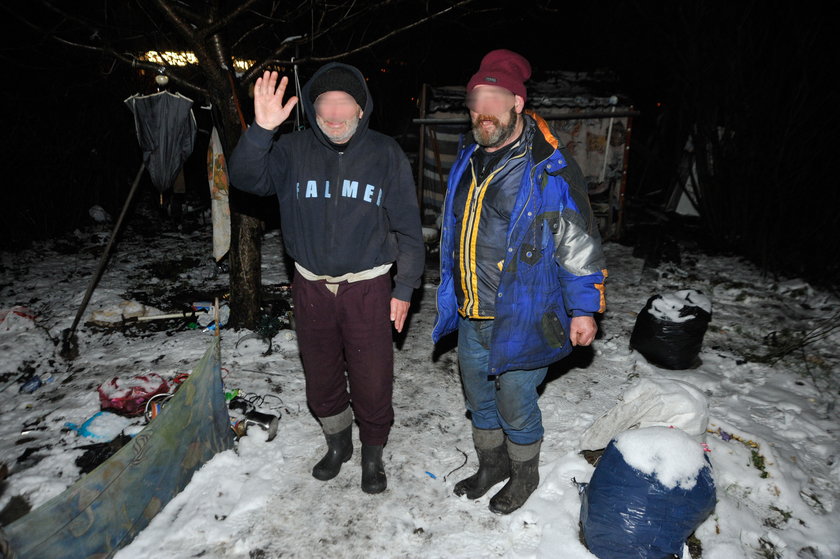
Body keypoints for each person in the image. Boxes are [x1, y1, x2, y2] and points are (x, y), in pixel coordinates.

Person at [229, 63, 424, 494]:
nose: (334, 113)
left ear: (361, 108)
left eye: (344, 103)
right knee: (321, 376)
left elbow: (409, 227)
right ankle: (338, 444)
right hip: (310, 285)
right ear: (314, 109)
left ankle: (372, 453)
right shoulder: (290, 150)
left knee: (372, 379)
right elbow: (243, 178)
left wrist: (405, 287)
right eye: (324, 104)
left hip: (368, 287)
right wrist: (261, 130)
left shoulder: (385, 152)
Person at [432, 49, 607, 514]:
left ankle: (524, 472)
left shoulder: (547, 166)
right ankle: (491, 465)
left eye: (494, 97)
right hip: (472, 310)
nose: (482, 109)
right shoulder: (467, 159)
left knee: (515, 400)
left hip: (524, 312)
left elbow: (578, 241)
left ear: (516, 103)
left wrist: (585, 307)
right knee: (478, 397)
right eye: (475, 98)